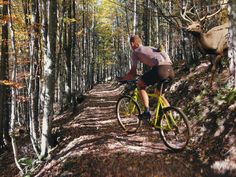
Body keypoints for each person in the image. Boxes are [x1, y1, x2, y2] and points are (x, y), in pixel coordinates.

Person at [118, 35, 174, 120]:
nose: (131, 47)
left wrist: (122, 79)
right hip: (171, 70)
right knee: (159, 94)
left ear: (133, 44)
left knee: (140, 84)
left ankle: (147, 112)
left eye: (130, 45)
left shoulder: (136, 52)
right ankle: (170, 118)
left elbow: (132, 73)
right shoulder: (151, 48)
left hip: (160, 70)